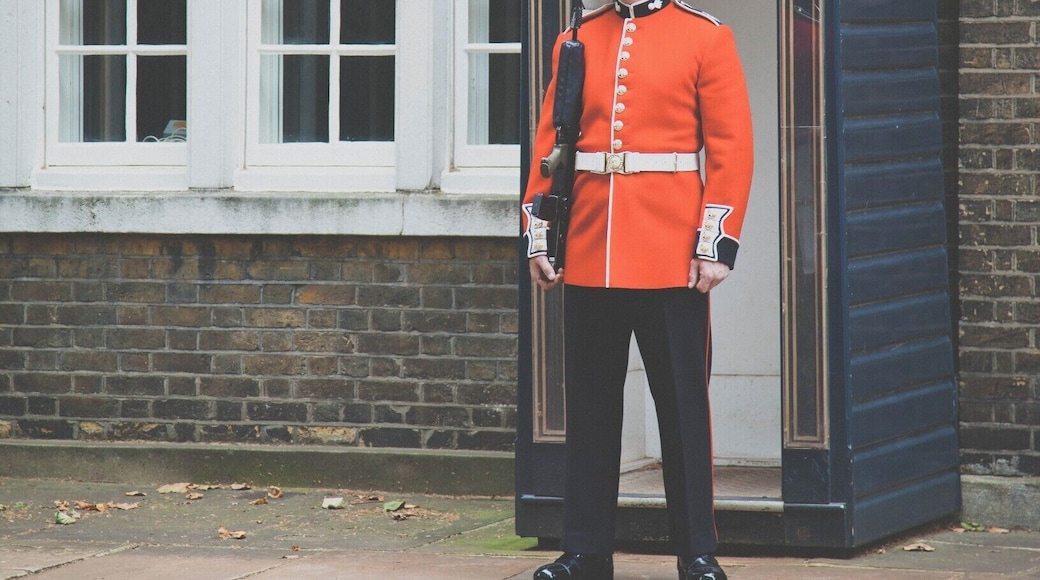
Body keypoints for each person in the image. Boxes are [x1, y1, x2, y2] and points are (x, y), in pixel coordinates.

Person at [522, 0, 754, 579]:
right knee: (591, 408)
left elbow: (730, 147)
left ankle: (696, 552)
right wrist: (539, 232)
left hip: (671, 252)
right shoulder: (577, 37)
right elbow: (552, 144)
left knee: (681, 409)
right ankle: (586, 551)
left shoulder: (705, 37)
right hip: (592, 246)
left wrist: (714, 242)